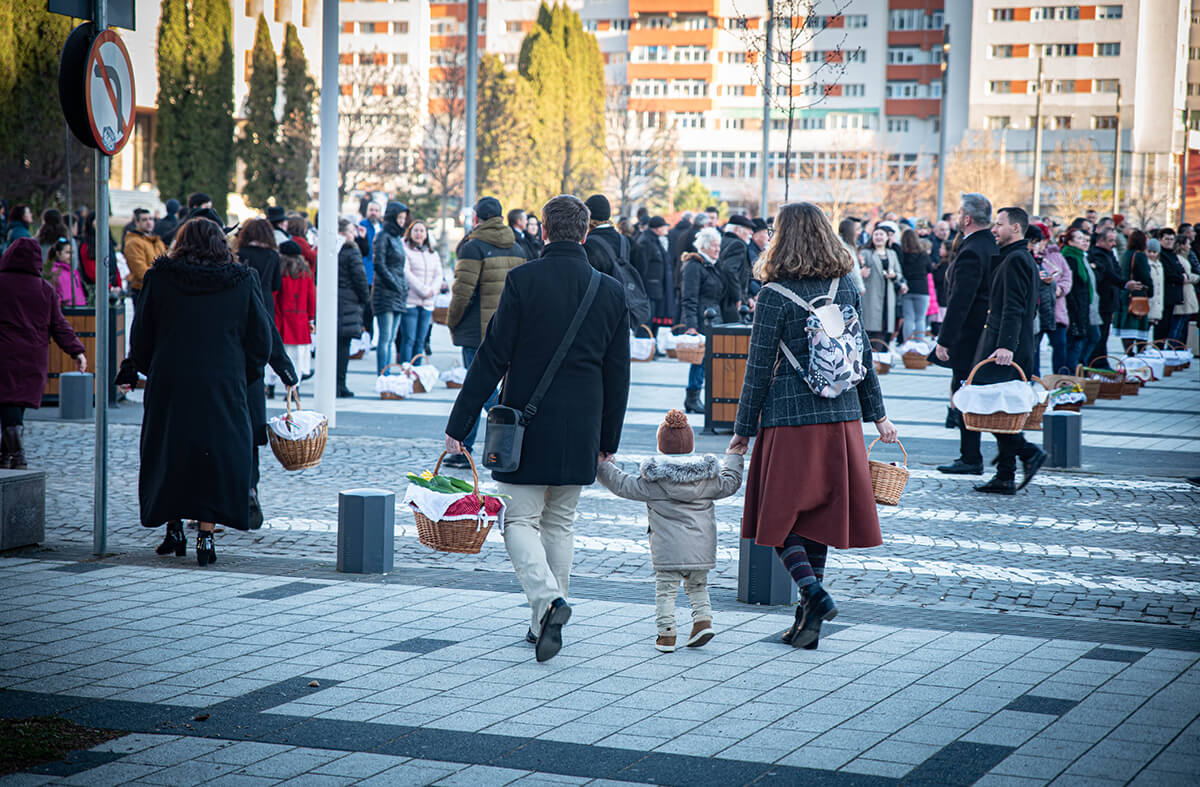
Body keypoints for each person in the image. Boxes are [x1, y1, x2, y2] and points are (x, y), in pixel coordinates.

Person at [444, 194, 631, 663]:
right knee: (560, 523)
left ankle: (548, 604)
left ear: (543, 231)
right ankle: (542, 619)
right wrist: (608, 439)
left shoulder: (523, 280)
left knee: (519, 520)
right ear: (586, 233)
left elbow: (492, 356)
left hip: (525, 424)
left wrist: (460, 422)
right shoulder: (609, 290)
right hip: (583, 426)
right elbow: (618, 374)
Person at [731, 202, 896, 650]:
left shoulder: (772, 295)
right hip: (841, 420)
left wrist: (743, 430)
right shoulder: (844, 286)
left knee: (777, 515)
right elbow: (862, 357)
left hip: (789, 420)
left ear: (782, 237)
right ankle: (809, 624)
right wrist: (877, 415)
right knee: (818, 517)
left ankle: (814, 593)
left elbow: (758, 368)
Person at [114, 218, 271, 564]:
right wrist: (242, 375)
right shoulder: (242, 281)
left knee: (171, 452)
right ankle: (206, 535)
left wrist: (139, 365)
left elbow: (142, 334)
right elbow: (261, 339)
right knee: (214, 456)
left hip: (171, 380)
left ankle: (174, 529)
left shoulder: (160, 278)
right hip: (222, 383)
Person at [596, 410, 744, 653]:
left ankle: (666, 636)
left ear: (661, 447)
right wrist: (734, 456)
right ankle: (703, 621)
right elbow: (731, 482)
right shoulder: (708, 479)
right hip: (701, 548)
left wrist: (605, 466)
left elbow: (623, 485)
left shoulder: (653, 481)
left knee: (666, 591)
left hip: (667, 550)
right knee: (698, 586)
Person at [445, 196, 526, 468]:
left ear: (476, 218)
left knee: (478, 388)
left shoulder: (473, 247)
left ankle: (506, 430)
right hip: (510, 329)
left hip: (476, 329)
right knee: (488, 386)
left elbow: (462, 292)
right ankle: (467, 447)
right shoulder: (517, 246)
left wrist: (452, 320)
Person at [971, 207, 1048, 495]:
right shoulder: (1017, 257)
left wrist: (1006, 345)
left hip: (1006, 347)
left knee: (992, 409)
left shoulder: (1016, 259)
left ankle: (1026, 453)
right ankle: (1005, 474)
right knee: (1001, 408)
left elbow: (1014, 307)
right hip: (1009, 344)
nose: (994, 229)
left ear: (1016, 228)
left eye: (999, 224)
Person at [0, 239, 87, 469]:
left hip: (5, 354)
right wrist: (76, 350)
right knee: (16, 405)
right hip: (33, 357)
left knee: (8, 403)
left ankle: (17, 455)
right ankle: (6, 454)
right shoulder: (45, 289)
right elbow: (59, 325)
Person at [935, 193, 998, 476]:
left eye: (959, 212)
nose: (957, 216)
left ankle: (970, 457)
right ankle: (971, 455)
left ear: (967, 218)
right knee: (968, 392)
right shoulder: (990, 244)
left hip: (969, 335)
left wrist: (944, 340)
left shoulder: (972, 249)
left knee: (963, 392)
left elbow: (962, 300)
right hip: (982, 331)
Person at [680, 227, 727, 414]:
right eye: (714, 246)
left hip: (714, 319)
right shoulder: (694, 266)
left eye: (718, 246)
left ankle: (699, 397)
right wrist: (691, 325)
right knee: (699, 360)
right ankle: (692, 398)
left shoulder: (711, 265)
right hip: (702, 320)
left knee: (707, 361)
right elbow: (689, 297)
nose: (718, 249)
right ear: (705, 247)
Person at [269, 241, 316, 393]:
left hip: (281, 319)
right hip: (300, 320)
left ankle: (270, 385)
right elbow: (311, 297)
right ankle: (295, 387)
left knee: (276, 354)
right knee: (298, 357)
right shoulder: (306, 273)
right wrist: (311, 319)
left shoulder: (279, 273)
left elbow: (274, 297)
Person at [397, 220, 443, 367]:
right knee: (409, 338)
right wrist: (423, 290)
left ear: (426, 234)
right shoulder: (405, 250)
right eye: (415, 230)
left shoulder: (432, 253)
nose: (419, 234)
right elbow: (406, 273)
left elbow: (438, 274)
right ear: (410, 233)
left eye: (422, 231)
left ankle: (416, 372)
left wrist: (432, 290)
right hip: (411, 301)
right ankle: (406, 371)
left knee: (420, 340)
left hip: (428, 303)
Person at [372, 202, 409, 375]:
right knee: (385, 338)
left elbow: (400, 267)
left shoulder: (397, 238)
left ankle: (386, 373)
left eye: (403, 218)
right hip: (385, 292)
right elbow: (379, 264)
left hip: (398, 292)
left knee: (392, 338)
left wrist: (403, 287)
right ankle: (383, 375)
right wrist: (395, 284)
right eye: (399, 218)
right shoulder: (383, 236)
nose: (402, 221)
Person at [336, 218, 370, 397]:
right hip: (349, 302)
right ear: (343, 233)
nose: (354, 235)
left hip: (335, 301)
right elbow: (360, 278)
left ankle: (336, 383)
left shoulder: (330, 250)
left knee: (336, 346)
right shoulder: (351, 251)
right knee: (343, 346)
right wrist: (365, 299)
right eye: (351, 231)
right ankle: (340, 384)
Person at [1062, 228, 1101, 371]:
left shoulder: (1081, 257)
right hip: (1074, 307)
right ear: (1070, 242)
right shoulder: (1070, 258)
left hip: (1085, 305)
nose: (1083, 241)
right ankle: (1072, 373)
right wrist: (1076, 309)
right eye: (1078, 238)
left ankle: (1078, 369)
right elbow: (1073, 286)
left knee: (1085, 339)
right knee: (1075, 342)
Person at [860, 226, 905, 342]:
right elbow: (858, 271)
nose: (879, 237)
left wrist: (894, 275)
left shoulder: (892, 254)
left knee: (885, 326)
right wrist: (862, 273)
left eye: (881, 234)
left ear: (887, 238)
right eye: (876, 234)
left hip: (888, 295)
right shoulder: (865, 253)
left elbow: (899, 273)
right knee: (871, 327)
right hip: (871, 295)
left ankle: (882, 355)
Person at [1038, 229, 1073, 374]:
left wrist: (1060, 289)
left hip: (1057, 309)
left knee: (1060, 344)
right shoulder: (1030, 257)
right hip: (1039, 310)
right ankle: (1033, 378)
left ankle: (1060, 378)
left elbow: (1067, 276)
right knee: (1034, 348)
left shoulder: (1056, 256)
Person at [1088, 227, 1123, 369]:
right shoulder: (1097, 254)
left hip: (1109, 300)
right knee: (1099, 336)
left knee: (1103, 335)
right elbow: (1109, 275)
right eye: (1110, 240)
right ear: (1100, 241)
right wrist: (1125, 284)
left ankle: (1101, 361)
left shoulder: (1109, 254)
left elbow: (1117, 272)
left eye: (1114, 240)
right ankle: (1098, 362)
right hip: (1101, 301)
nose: (1113, 244)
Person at [1112, 230, 1152, 353]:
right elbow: (1145, 276)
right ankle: (1139, 357)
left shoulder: (1125, 254)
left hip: (1125, 294)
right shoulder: (1140, 255)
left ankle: (1128, 354)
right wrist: (1150, 291)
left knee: (1126, 330)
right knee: (1137, 329)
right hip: (1137, 295)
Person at [124, 208, 167, 318]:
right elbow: (140, 271)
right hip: (142, 291)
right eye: (144, 220)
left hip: (158, 290)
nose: (149, 222)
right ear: (137, 222)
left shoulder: (157, 241)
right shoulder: (133, 242)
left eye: (151, 219)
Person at [635, 216, 674, 330]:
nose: (666, 229)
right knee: (648, 321)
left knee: (653, 321)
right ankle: (648, 345)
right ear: (657, 229)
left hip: (656, 289)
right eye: (664, 226)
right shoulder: (645, 242)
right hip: (649, 290)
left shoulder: (655, 240)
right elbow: (642, 267)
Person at [717, 215, 754, 323]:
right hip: (731, 302)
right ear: (737, 229)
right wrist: (738, 298)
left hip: (723, 299)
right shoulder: (738, 244)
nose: (751, 232)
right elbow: (729, 269)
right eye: (748, 229)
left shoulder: (723, 240)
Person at [899, 228, 934, 341]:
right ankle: (919, 344)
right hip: (922, 289)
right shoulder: (923, 254)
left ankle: (907, 343)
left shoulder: (901, 255)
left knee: (908, 318)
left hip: (907, 289)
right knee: (920, 318)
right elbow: (930, 269)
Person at [358, 201, 383, 340]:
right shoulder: (362, 226)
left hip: (379, 274)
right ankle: (367, 336)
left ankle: (371, 337)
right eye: (371, 210)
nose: (373, 212)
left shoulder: (382, 227)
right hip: (366, 273)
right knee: (366, 308)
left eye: (376, 210)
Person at [1157, 229, 1186, 344]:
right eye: (1166, 239)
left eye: (1171, 239)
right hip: (1165, 295)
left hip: (1173, 296)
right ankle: (1158, 348)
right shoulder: (1161, 254)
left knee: (1168, 326)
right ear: (1160, 240)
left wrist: (1182, 276)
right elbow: (1169, 274)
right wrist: (1181, 278)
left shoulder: (1173, 254)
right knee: (1161, 326)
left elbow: (1181, 270)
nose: (1169, 242)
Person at [1172, 236, 1199, 341]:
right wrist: (1196, 278)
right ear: (1182, 245)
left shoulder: (1185, 257)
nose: (1189, 247)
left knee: (1182, 326)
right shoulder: (1179, 258)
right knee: (1177, 327)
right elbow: (1185, 276)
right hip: (1183, 295)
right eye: (1188, 244)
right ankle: (1175, 349)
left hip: (1187, 294)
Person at [46, 238, 86, 307]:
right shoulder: (54, 272)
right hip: (65, 311)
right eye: (67, 253)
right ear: (58, 253)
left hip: (79, 310)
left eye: (72, 253)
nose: (71, 256)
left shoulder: (74, 272)